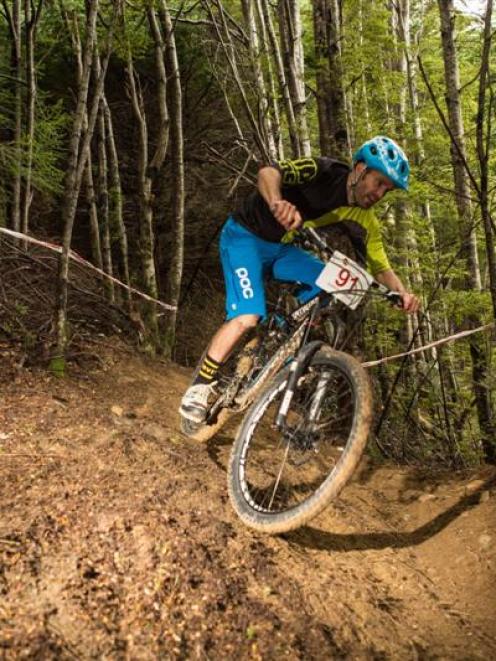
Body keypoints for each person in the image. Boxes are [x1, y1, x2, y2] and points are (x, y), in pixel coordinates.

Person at [179, 135, 420, 424]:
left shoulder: (364, 219)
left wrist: (402, 294)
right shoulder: (324, 170)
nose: (380, 193)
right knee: (248, 316)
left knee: (333, 283)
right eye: (379, 182)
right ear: (359, 170)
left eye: (387, 190)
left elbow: (381, 267)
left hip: (283, 249)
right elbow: (269, 172)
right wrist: (277, 201)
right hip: (244, 238)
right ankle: (199, 388)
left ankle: (278, 338)